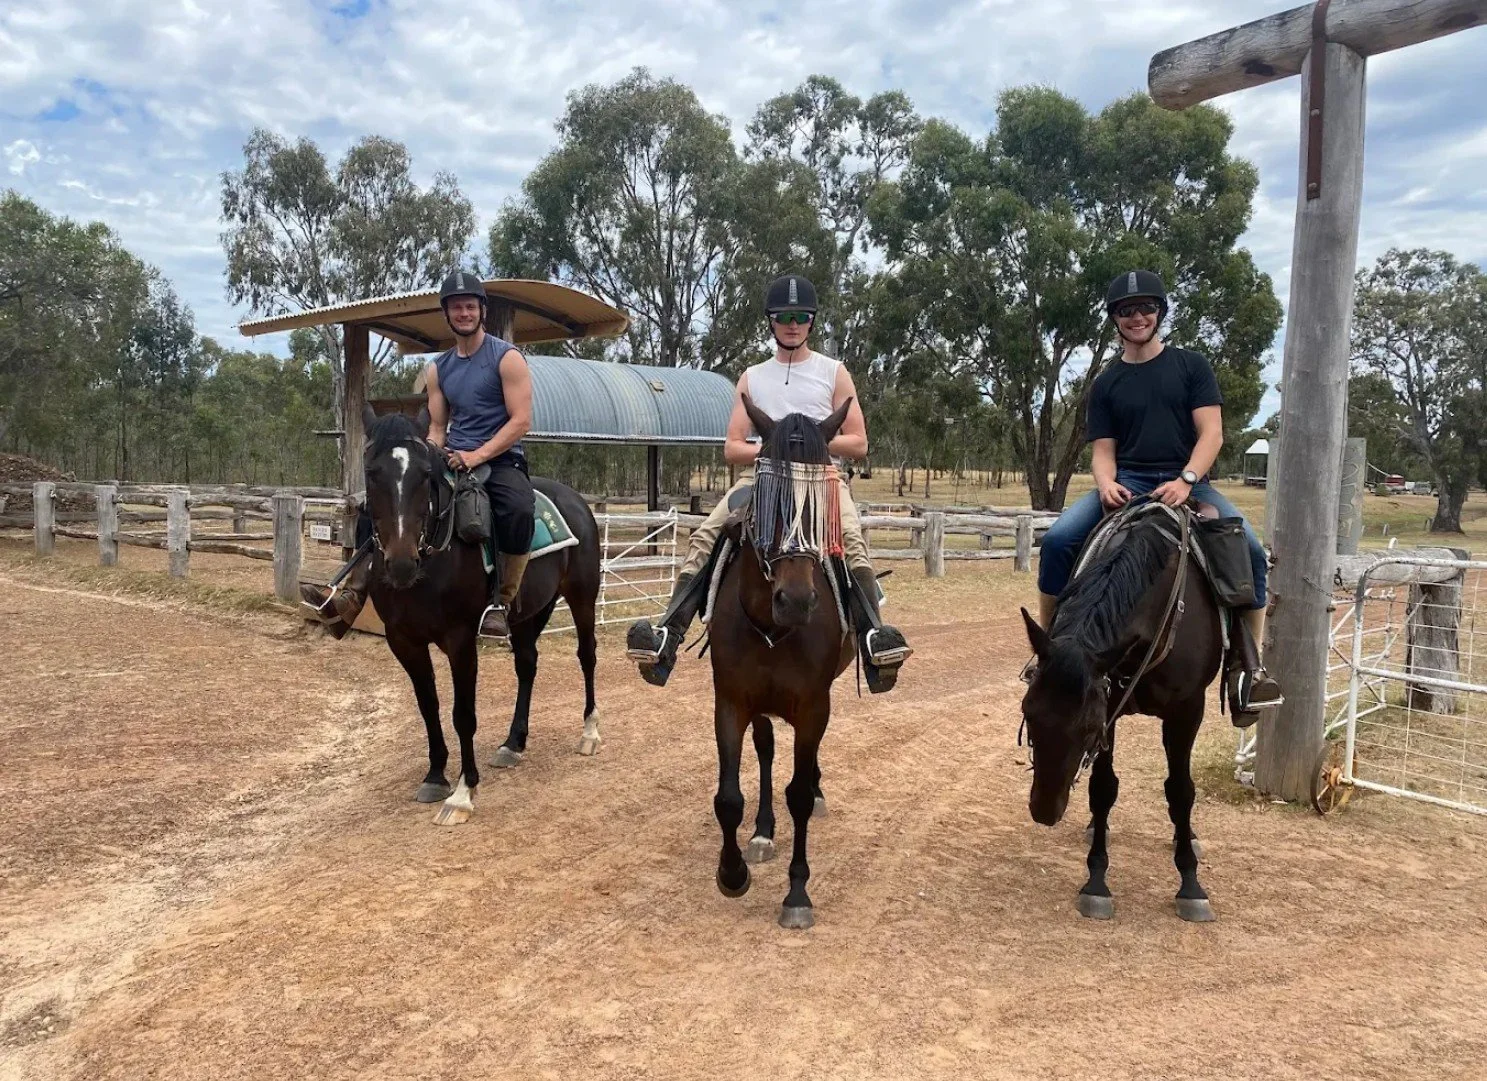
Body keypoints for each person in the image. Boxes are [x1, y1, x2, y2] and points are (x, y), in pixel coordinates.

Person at [625, 274, 912, 693]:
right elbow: (733, 447)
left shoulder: (834, 372)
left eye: (800, 317)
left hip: (822, 476)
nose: (792, 324)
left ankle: (873, 640)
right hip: (760, 477)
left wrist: (807, 445)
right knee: (706, 535)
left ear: (811, 322)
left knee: (850, 539)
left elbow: (859, 442)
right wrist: (775, 450)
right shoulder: (752, 377)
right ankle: (668, 636)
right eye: (783, 317)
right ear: (771, 322)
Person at [1031, 269, 1282, 717]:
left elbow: (1212, 434)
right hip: (1129, 482)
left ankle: (1248, 668)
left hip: (1189, 481)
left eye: (1146, 308)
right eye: (1126, 311)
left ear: (1160, 313)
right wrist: (1106, 483)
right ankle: (1051, 656)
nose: (1137, 317)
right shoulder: (1107, 383)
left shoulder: (1191, 367)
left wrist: (1186, 480)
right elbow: (1103, 451)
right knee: (1057, 540)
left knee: (1249, 551)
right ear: (1115, 320)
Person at [301, 269, 536, 640]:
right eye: (456, 307)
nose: (463, 313)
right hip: (452, 454)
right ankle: (353, 593)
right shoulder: (437, 368)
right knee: (381, 500)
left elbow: (521, 421)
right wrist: (428, 454)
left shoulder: (507, 359)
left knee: (518, 510)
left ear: (482, 312)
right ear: (447, 314)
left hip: (500, 457)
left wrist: (475, 456)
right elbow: (439, 426)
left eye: (470, 306)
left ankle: (501, 603)